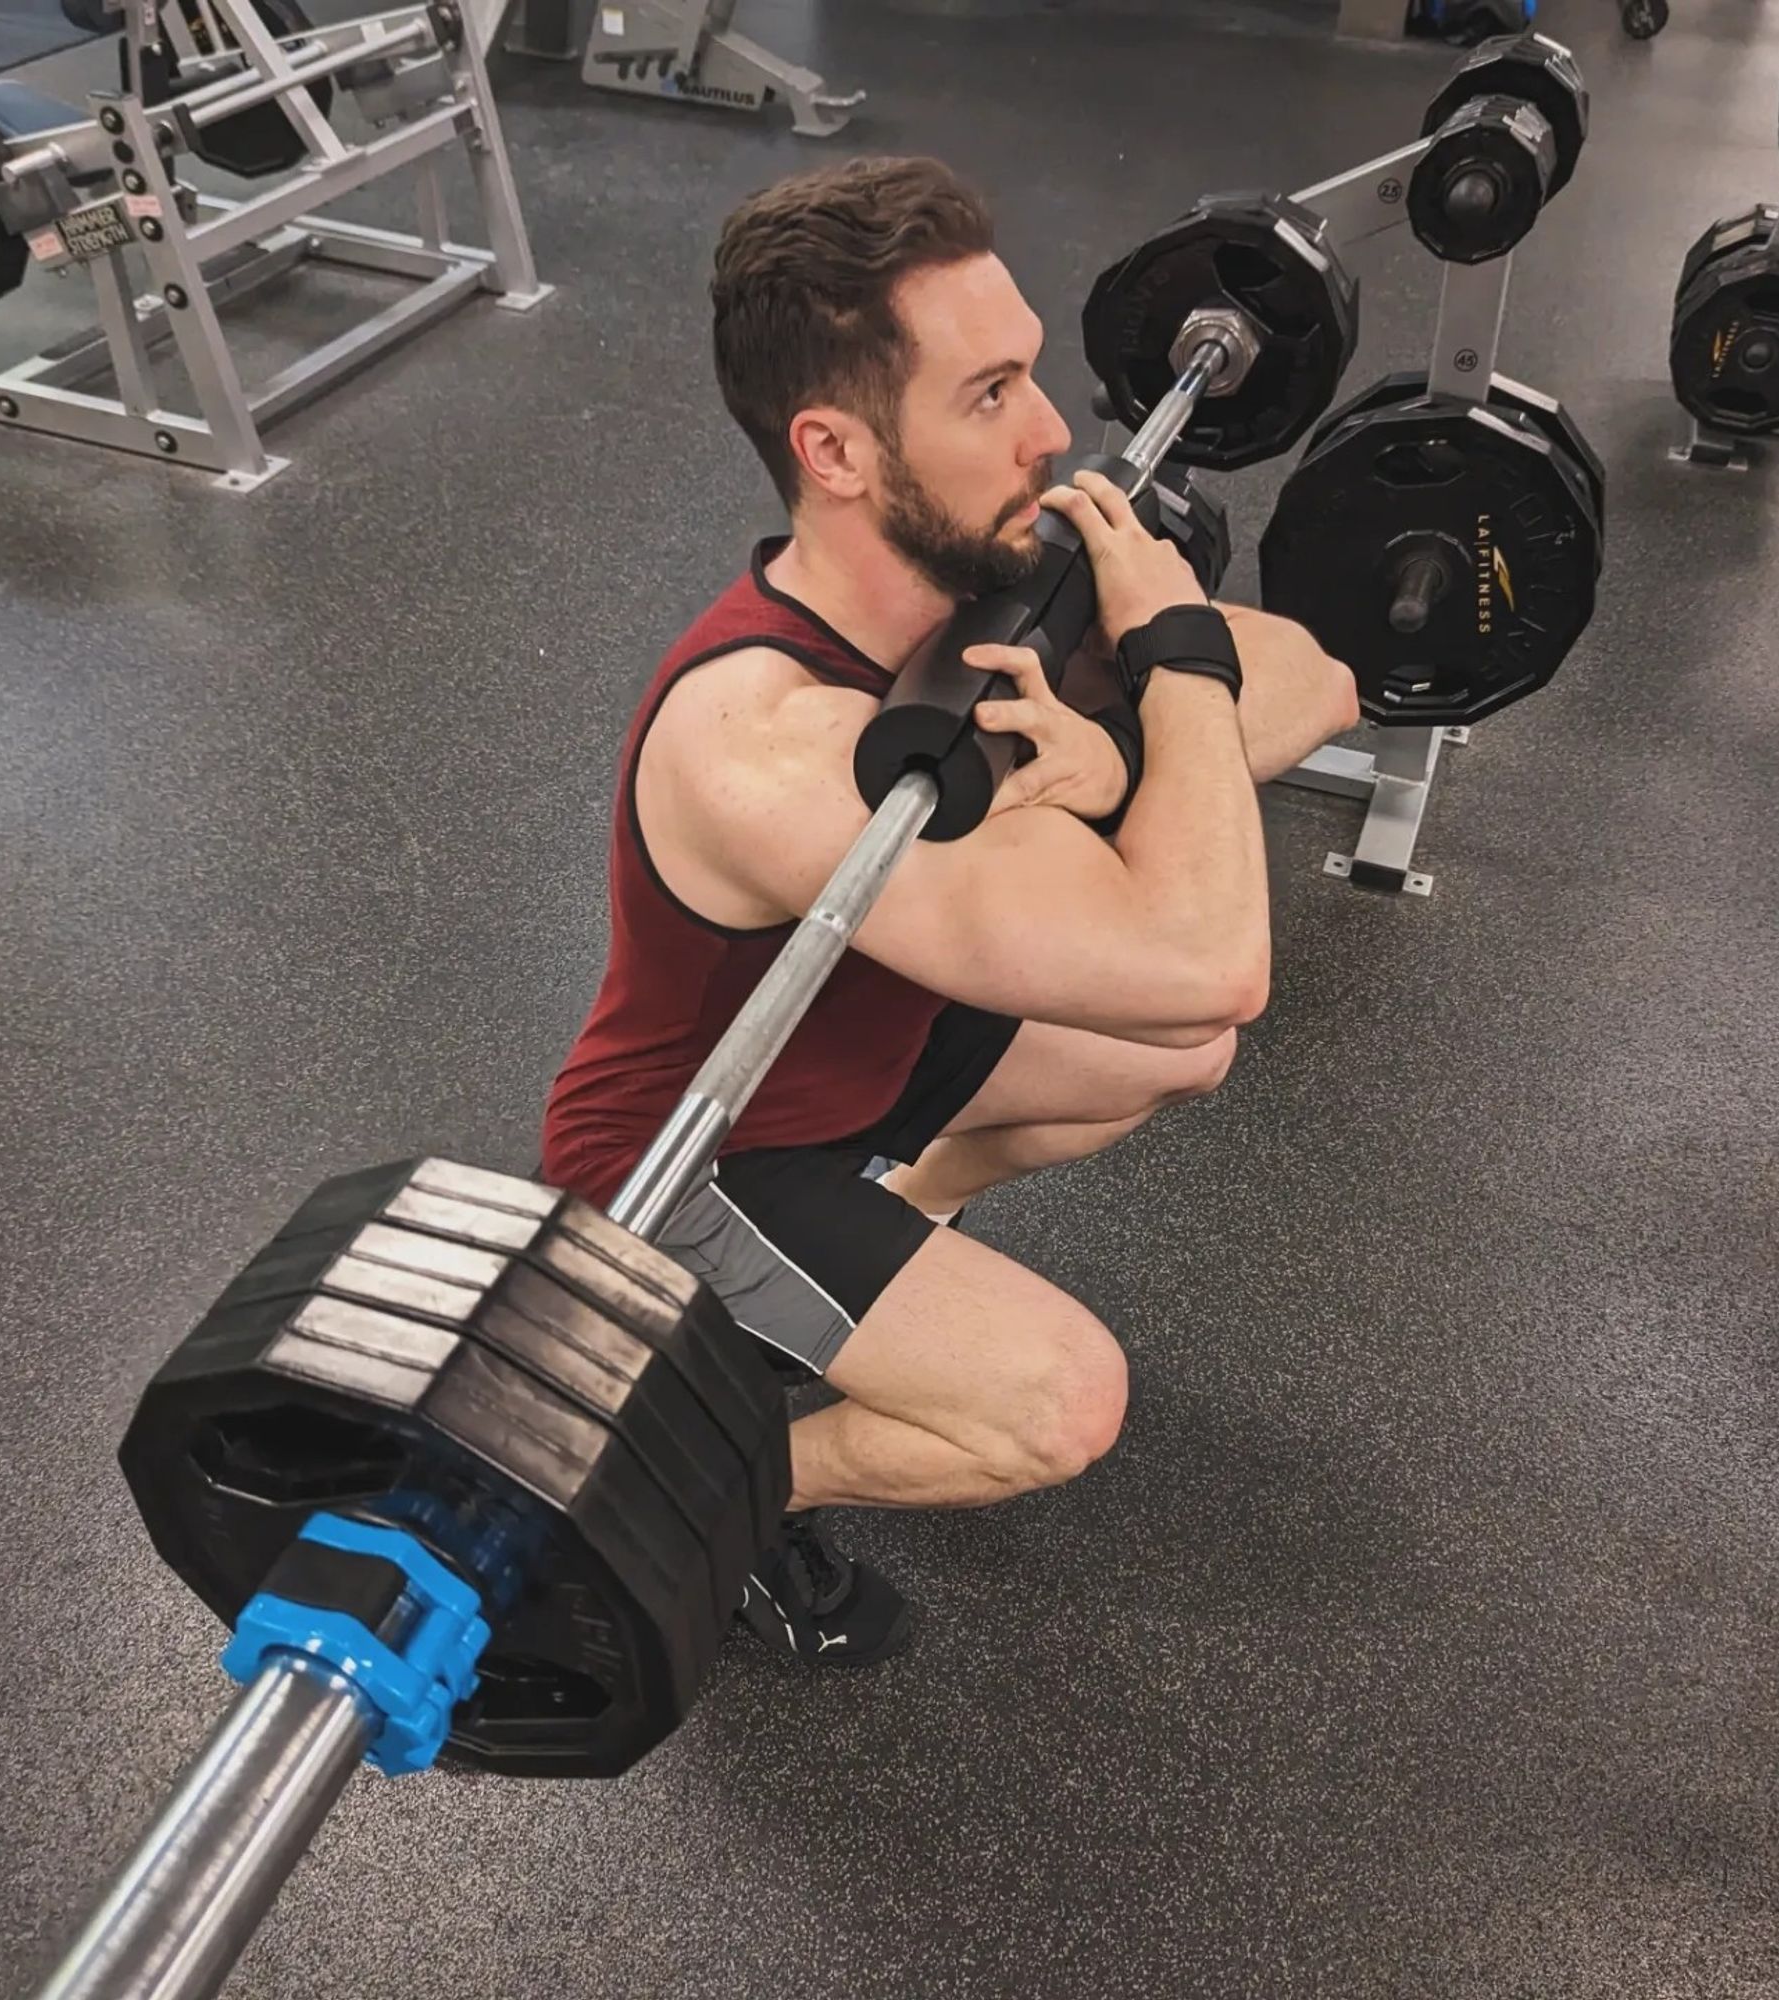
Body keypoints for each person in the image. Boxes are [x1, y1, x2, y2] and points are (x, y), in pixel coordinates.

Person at [543, 156, 1357, 1666]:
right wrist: (1168, 661)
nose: (1056, 434)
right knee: (1061, 1400)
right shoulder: (769, 742)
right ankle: (687, 1492)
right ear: (836, 450)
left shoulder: (965, 587)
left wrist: (1119, 747)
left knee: (1175, 1054)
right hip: (697, 1158)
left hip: (863, 1043)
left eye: (1033, 373)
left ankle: (857, 1261)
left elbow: (1319, 676)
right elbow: (1209, 948)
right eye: (990, 396)